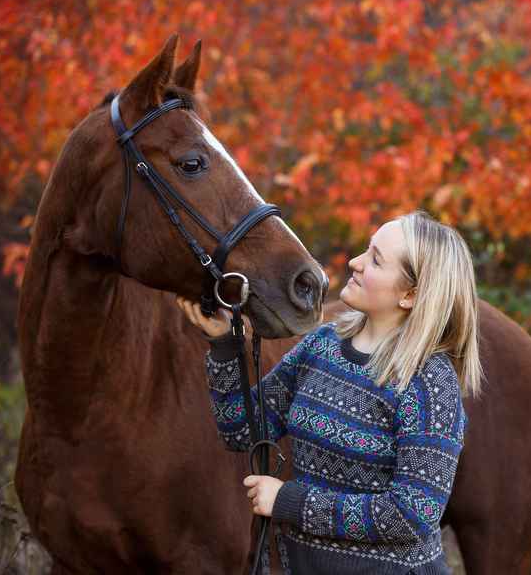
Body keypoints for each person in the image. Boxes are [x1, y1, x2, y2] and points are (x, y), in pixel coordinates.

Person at [176, 210, 483, 575]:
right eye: (366, 249)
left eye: (375, 260)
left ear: (410, 295)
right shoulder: (324, 345)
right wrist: (225, 345)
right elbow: (243, 431)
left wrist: (290, 502)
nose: (355, 262)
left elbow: (411, 515)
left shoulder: (429, 383)